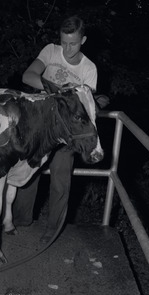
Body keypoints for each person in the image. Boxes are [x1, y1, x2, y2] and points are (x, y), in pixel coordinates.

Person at [12, 15, 100, 243]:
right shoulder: (51, 51)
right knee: (29, 173)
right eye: (64, 42)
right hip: (40, 125)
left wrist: (75, 97)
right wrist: (58, 89)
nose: (67, 48)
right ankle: (22, 219)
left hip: (66, 131)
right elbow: (28, 75)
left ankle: (52, 230)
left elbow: (85, 108)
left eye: (73, 43)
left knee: (60, 178)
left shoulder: (89, 69)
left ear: (84, 40)